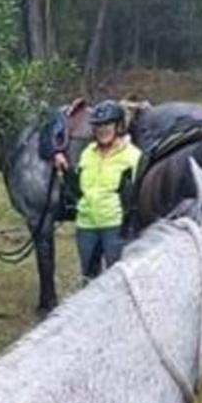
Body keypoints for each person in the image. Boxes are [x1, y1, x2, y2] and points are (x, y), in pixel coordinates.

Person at [60, 100, 141, 280]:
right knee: (89, 278)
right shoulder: (88, 152)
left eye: (107, 124)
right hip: (86, 225)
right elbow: (79, 189)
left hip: (115, 226)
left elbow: (138, 194)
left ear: (118, 126)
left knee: (117, 279)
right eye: (98, 126)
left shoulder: (133, 156)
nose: (102, 130)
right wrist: (65, 172)